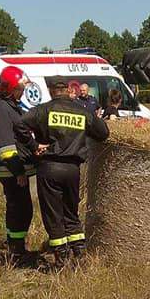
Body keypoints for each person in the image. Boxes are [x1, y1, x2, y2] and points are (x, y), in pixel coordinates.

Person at [17, 76, 109, 266]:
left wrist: (34, 144)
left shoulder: (43, 110)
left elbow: (19, 124)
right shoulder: (81, 111)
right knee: (71, 212)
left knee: (53, 214)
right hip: (72, 170)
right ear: (68, 90)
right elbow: (103, 133)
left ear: (51, 91)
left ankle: (61, 258)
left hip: (49, 167)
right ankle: (79, 254)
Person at [0, 66, 38, 264]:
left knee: (21, 208)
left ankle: (16, 246)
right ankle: (17, 252)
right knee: (20, 209)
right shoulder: (2, 109)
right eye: (20, 89)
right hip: (12, 171)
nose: (23, 92)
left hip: (16, 170)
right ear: (10, 89)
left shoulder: (10, 106)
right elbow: (5, 146)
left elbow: (21, 134)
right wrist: (18, 170)